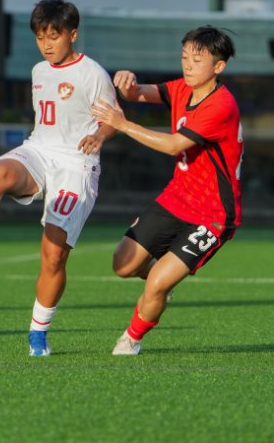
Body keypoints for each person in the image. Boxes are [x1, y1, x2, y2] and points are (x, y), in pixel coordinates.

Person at [0, 0, 117, 357]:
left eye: (54, 35)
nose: (47, 44)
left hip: (76, 165)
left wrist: (98, 135)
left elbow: (114, 117)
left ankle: (38, 332)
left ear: (73, 34)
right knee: (0, 171)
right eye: (40, 37)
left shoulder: (92, 73)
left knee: (53, 256)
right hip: (38, 149)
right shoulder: (38, 71)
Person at [91, 25, 243, 355]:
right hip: (176, 198)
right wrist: (127, 81)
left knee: (157, 281)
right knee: (123, 264)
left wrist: (123, 125)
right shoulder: (179, 89)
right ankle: (160, 285)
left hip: (213, 214)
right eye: (185, 57)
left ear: (218, 67)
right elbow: (135, 94)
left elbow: (175, 145)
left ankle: (131, 339)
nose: (188, 65)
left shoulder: (221, 106)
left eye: (197, 60)